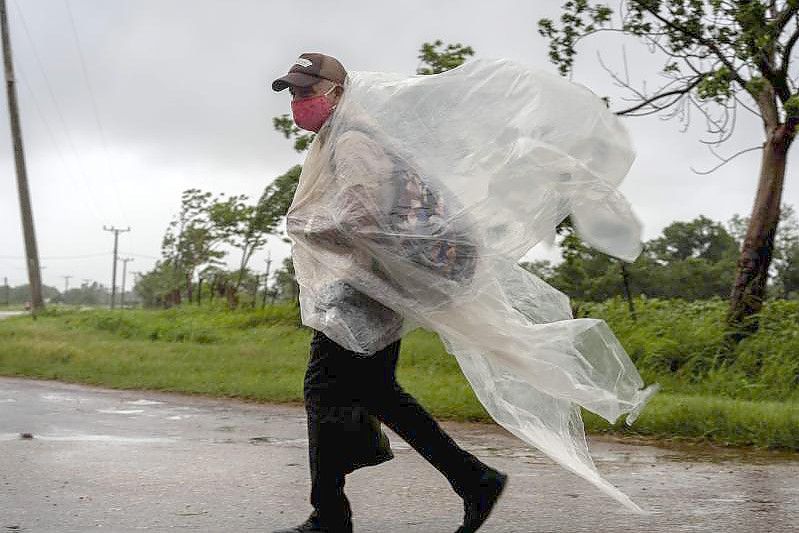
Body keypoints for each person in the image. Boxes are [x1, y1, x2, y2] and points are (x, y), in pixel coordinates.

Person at [271, 53, 507, 533]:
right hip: (378, 281)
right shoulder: (348, 137)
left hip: (369, 286)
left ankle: (331, 516)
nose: (298, 101)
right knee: (374, 390)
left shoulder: (353, 141)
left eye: (307, 90)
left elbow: (362, 221)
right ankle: (472, 479)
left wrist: (307, 227)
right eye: (293, 92)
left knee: (325, 388)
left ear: (337, 92)